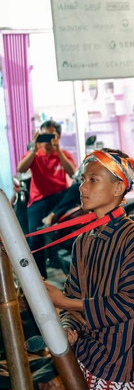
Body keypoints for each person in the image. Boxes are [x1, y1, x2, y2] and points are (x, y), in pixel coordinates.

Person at [44, 149, 134, 390]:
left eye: (93, 179)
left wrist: (63, 302)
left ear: (119, 188)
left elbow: (129, 303)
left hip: (122, 361)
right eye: (83, 179)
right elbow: (74, 298)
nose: (83, 187)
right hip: (88, 356)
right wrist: (69, 328)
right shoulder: (83, 241)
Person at [17, 120, 76, 279]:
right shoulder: (36, 155)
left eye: (51, 136)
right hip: (39, 201)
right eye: (44, 136)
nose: (47, 141)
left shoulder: (64, 154)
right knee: (34, 241)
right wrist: (33, 150)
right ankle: (40, 280)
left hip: (60, 199)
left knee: (77, 187)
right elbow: (20, 169)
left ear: (58, 136)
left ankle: (52, 216)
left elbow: (73, 174)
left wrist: (58, 151)